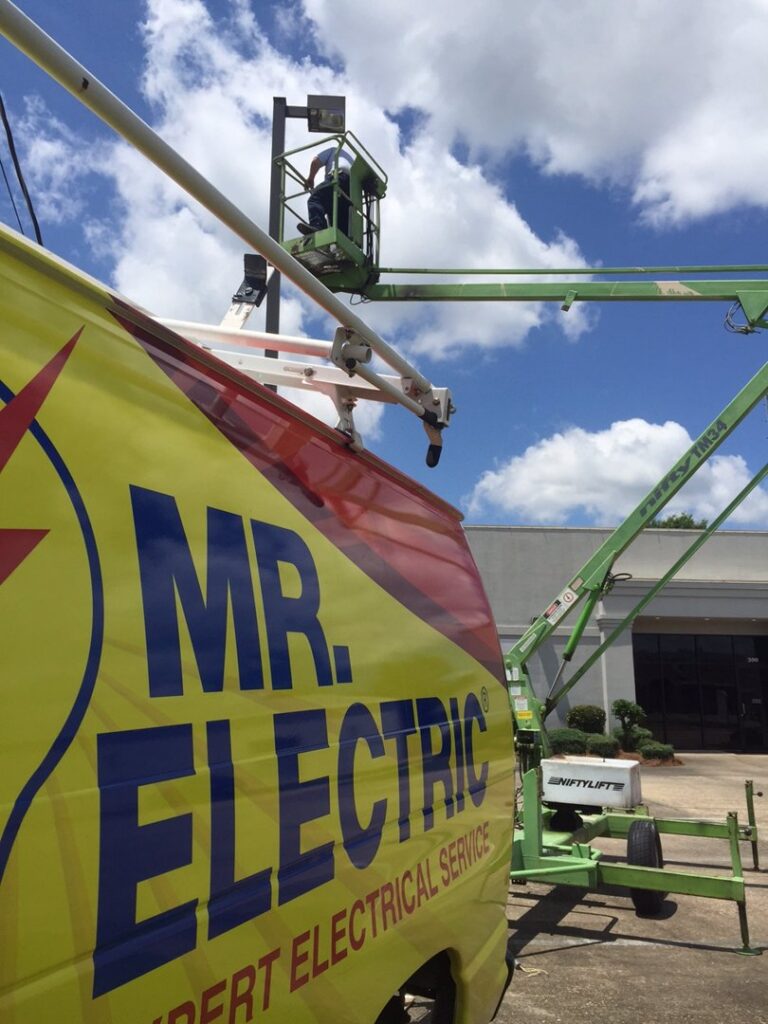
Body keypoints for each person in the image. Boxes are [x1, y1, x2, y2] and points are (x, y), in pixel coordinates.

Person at [297, 145, 353, 236]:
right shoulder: (351, 161)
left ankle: (317, 226)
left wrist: (310, 179)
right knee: (336, 216)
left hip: (338, 177)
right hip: (351, 189)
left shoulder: (333, 150)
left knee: (315, 198)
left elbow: (316, 162)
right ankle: (340, 242)